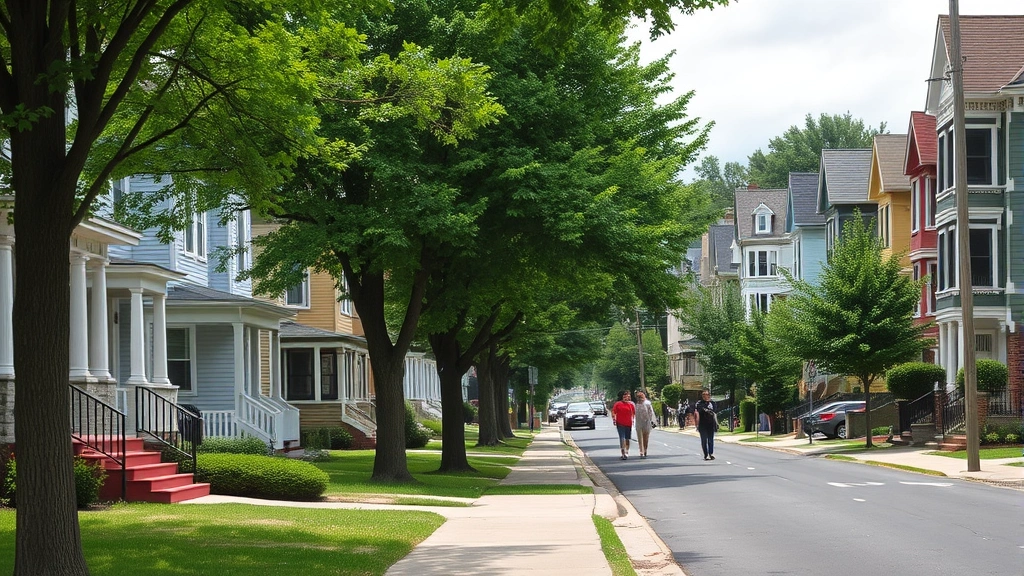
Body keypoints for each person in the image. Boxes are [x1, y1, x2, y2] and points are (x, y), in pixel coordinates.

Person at [611, 390, 636, 460]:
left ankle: (627, 451)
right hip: (620, 423)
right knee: (622, 438)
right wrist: (614, 419)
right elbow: (613, 412)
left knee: (627, 438)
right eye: (624, 397)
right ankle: (623, 452)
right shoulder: (618, 404)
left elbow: (634, 413)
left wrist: (634, 421)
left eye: (627, 397)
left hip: (628, 423)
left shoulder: (631, 405)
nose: (626, 398)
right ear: (622, 397)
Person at [694, 388, 718, 461]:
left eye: (707, 394)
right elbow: (700, 410)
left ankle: (711, 453)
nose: (705, 396)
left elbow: (714, 411)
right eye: (703, 394)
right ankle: (706, 454)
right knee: (704, 440)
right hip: (702, 424)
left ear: (709, 395)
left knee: (711, 440)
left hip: (711, 424)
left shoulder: (713, 403)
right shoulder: (699, 403)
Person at [634, 391, 656, 458]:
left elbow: (651, 413)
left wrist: (653, 421)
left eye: (641, 397)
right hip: (638, 422)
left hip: (646, 422)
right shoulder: (636, 404)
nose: (640, 398)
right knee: (640, 438)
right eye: (638, 397)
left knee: (645, 437)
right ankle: (641, 451)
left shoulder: (647, 403)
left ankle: (645, 449)